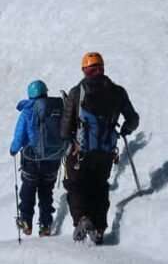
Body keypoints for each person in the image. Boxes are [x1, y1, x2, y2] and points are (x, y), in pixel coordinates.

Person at [61, 52, 139, 244]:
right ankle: (99, 228)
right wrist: (124, 130)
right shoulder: (118, 92)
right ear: (102, 68)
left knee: (76, 185)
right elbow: (133, 120)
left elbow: (64, 130)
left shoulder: (77, 91)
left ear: (85, 71)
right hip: (106, 150)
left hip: (81, 151)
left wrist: (71, 136)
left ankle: (82, 219)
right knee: (99, 187)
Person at [10, 79, 64, 237]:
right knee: (46, 193)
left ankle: (26, 221)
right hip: (53, 160)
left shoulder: (27, 112)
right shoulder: (56, 109)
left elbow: (19, 136)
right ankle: (45, 224)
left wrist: (13, 150)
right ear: (45, 92)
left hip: (31, 162)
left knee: (28, 190)